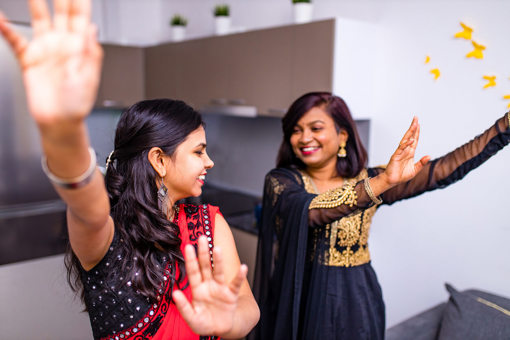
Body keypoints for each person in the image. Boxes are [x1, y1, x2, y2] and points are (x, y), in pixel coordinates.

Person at [0, 1, 259, 339]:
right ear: (159, 160)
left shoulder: (208, 223)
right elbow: (85, 204)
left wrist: (230, 324)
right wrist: (63, 129)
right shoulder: (108, 238)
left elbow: (248, 308)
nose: (209, 161)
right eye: (199, 151)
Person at [252, 92, 510, 340]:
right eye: (296, 130)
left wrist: (504, 127)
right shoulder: (281, 181)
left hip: (357, 299)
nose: (304, 137)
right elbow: (313, 211)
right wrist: (384, 181)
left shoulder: (371, 179)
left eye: (315, 128)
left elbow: (444, 170)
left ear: (342, 135)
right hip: (301, 298)